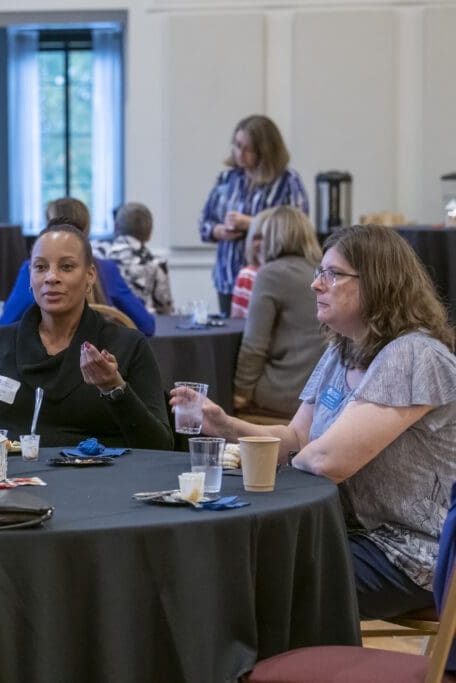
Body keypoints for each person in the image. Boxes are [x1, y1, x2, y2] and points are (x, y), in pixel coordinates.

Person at [172, 224, 456, 619]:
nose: (316, 285)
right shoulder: (343, 351)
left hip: (412, 551)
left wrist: (262, 477)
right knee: (230, 561)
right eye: (319, 273)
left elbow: (324, 461)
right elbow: (298, 436)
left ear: (378, 283)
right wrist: (227, 427)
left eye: (332, 274)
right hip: (352, 533)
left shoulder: (413, 354)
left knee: (248, 581)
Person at [0, 224, 173, 448]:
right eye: (40, 267)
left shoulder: (127, 345)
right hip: (14, 479)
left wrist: (114, 388)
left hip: (101, 481)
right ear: (30, 276)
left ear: (90, 275)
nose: (51, 277)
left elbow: (160, 446)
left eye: (66, 267)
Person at [199, 114, 309, 315]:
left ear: (265, 150)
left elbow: (298, 228)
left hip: (268, 277)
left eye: (248, 148)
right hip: (228, 278)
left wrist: (251, 224)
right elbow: (204, 223)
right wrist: (219, 231)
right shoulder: (227, 178)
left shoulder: (287, 180)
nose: (240, 153)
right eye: (237, 145)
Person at [0, 198, 156, 335]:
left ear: (49, 228)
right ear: (87, 229)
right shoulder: (106, 268)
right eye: (41, 267)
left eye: (67, 267)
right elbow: (147, 325)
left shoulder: (34, 270)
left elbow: (5, 324)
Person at [233, 206, 325, 416]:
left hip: (285, 393)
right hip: (323, 393)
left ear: (272, 237)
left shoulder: (271, 274)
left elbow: (254, 346)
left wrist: (240, 395)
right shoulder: (323, 271)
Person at [93, 202, 173, 314]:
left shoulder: (98, 255)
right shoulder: (156, 264)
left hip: (103, 325)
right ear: (149, 234)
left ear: (115, 227)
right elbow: (165, 309)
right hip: (143, 327)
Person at [230, 220, 264, 319]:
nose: (259, 244)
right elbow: (236, 323)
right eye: (256, 238)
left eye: (265, 237)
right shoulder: (246, 275)